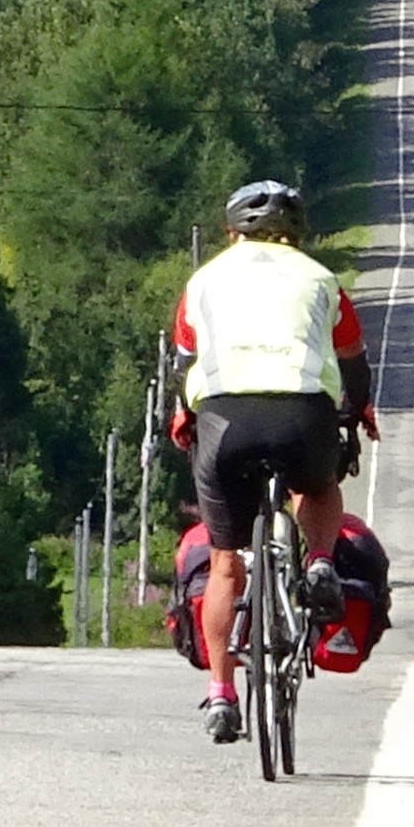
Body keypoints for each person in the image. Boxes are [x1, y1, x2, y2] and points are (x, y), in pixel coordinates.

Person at [169, 177, 376, 743]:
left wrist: (183, 414)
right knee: (319, 486)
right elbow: (352, 359)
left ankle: (221, 695)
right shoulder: (321, 279)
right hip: (302, 415)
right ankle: (321, 563)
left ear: (232, 229)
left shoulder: (204, 281)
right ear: (297, 232)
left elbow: (183, 358)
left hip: (225, 421)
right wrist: (358, 411)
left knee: (224, 564)